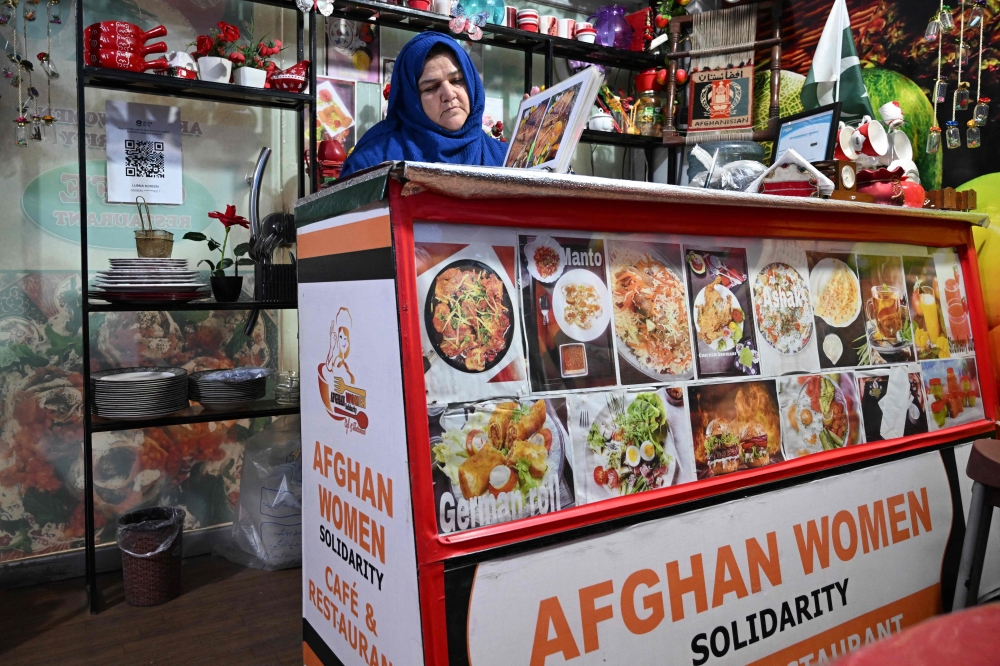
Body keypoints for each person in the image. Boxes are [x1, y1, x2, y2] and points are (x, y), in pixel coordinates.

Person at [339, 32, 506, 177]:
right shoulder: (375, 160)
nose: (448, 94)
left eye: (457, 80)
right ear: (412, 100)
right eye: (431, 87)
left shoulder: (504, 159)